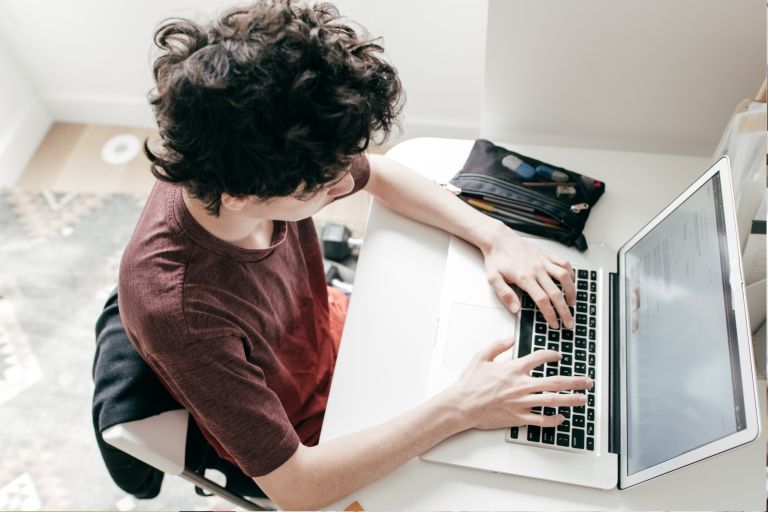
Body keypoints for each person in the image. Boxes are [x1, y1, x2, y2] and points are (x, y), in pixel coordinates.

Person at [118, 1, 592, 509]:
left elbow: (382, 174)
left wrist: (496, 236)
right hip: (311, 435)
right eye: (324, 185)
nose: (348, 181)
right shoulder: (180, 309)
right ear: (240, 196)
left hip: (333, 334)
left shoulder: (245, 160)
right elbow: (297, 487)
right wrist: (461, 407)